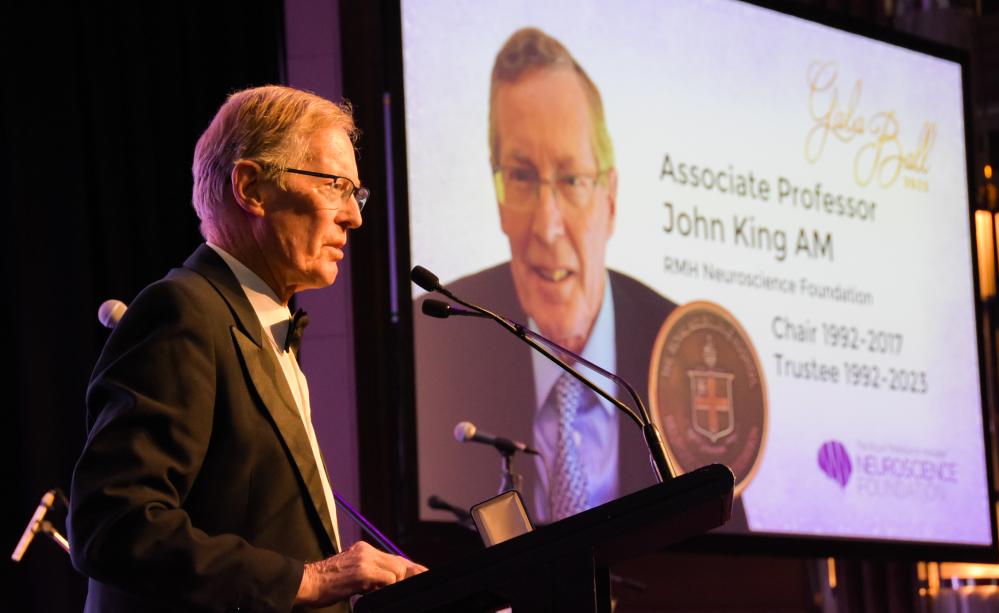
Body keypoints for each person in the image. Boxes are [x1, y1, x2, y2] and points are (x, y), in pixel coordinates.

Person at [68, 85, 425, 613]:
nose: (355, 216)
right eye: (336, 185)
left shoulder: (260, 326)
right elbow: (113, 523)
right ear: (252, 187)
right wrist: (310, 579)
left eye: (357, 192)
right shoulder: (184, 312)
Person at [414, 28, 677, 526]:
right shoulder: (441, 333)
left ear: (611, 198)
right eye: (521, 177)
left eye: (573, 180)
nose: (548, 226)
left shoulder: (680, 345)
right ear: (497, 195)